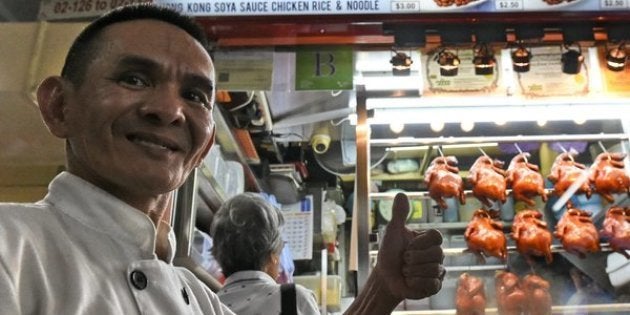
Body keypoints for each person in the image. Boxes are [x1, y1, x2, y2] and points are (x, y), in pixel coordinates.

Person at [0, 4, 445, 315]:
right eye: (134, 78)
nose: (170, 110)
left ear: (204, 144)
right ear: (59, 105)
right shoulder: (12, 249)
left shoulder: (196, 296)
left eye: (193, 95)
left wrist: (383, 291)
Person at [210, 192, 320, 315]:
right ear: (272, 255)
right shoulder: (293, 299)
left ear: (217, 255)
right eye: (281, 249)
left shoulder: (206, 306)